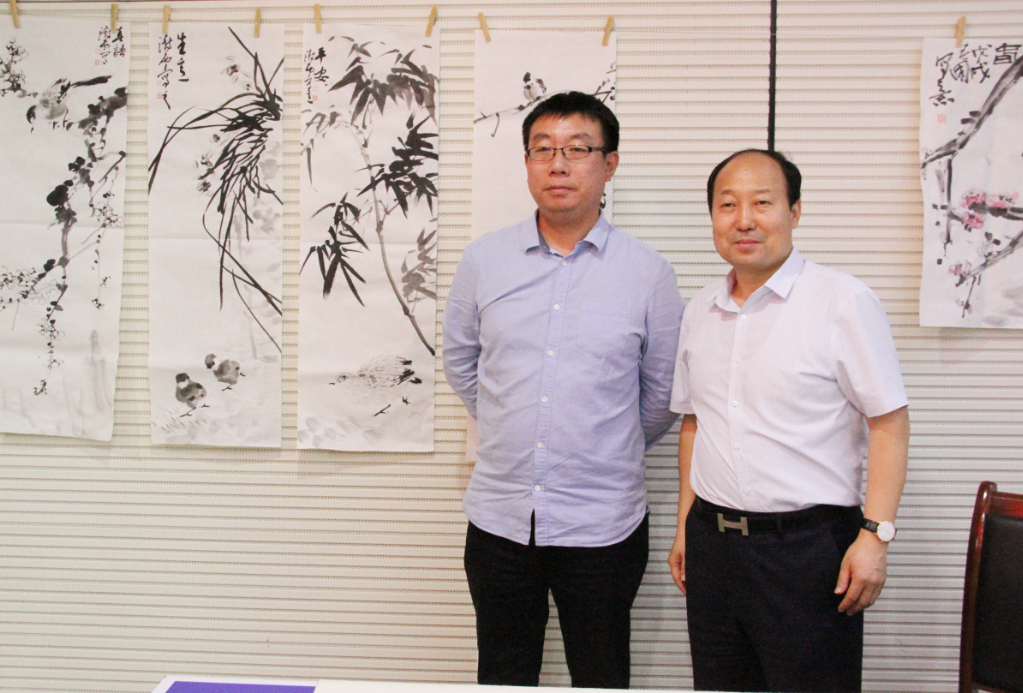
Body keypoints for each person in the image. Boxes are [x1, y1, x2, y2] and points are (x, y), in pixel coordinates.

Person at [442, 91, 685, 688]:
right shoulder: (484, 262)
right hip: (500, 518)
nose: (558, 164)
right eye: (543, 149)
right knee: (503, 673)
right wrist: (509, 423)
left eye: (577, 149)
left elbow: (661, 395)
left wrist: (603, 442)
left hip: (603, 521)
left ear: (610, 164)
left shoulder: (649, 274)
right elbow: (462, 364)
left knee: (600, 675)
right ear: (527, 162)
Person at [667, 149, 910, 693]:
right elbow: (694, 424)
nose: (744, 220)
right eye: (727, 204)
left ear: (794, 211)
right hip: (713, 546)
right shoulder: (699, 310)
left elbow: (889, 423)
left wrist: (876, 537)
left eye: (762, 203)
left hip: (807, 551)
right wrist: (685, 525)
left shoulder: (841, 301)